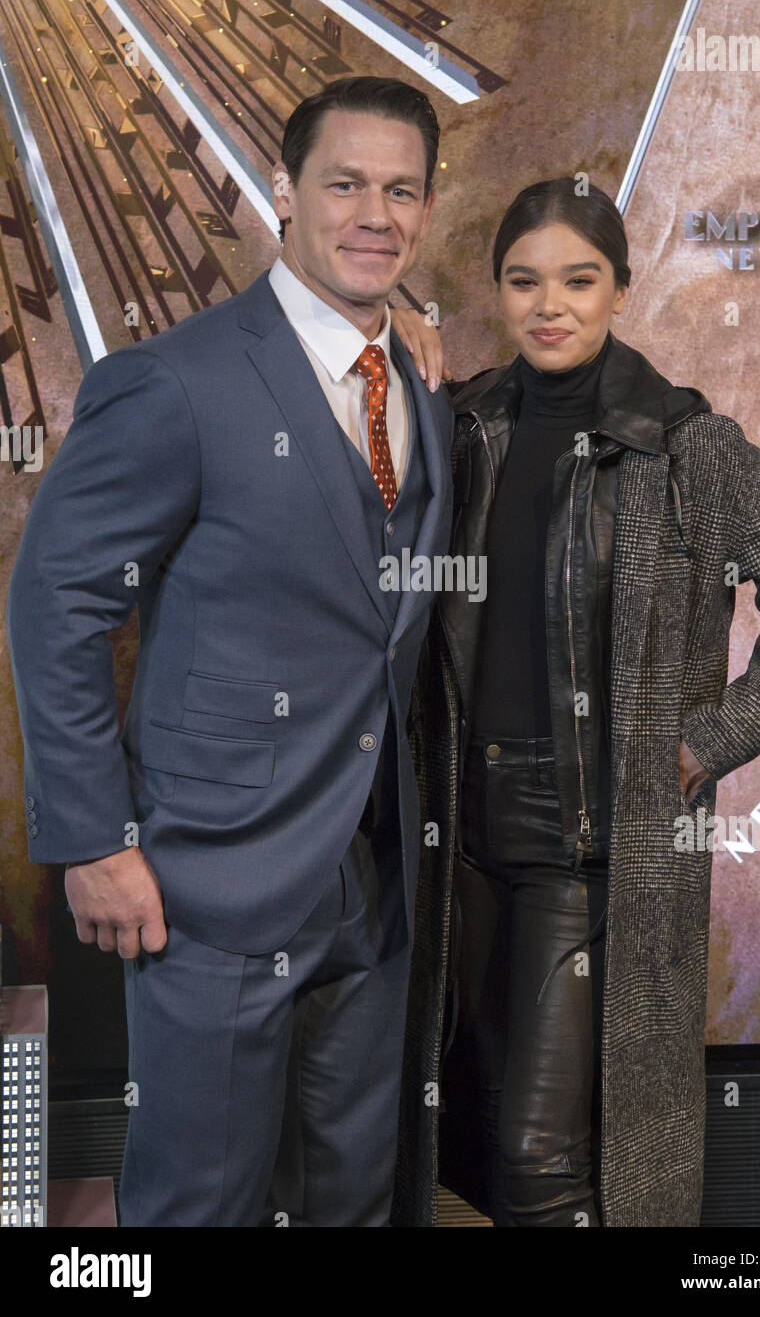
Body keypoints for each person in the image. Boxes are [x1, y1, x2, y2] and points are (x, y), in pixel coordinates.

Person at [5, 75, 455, 1227]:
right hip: (206, 880)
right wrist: (95, 838)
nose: (374, 213)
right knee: (198, 1206)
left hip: (376, 874)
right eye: (344, 183)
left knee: (350, 1201)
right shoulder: (176, 382)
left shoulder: (417, 387)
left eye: (400, 190)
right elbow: (58, 605)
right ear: (280, 195)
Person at [387, 177, 760, 1227]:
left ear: (617, 289)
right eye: (522, 281)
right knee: (460, 1136)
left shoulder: (684, 447)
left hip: (594, 852)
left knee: (538, 1161)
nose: (547, 304)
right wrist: (393, 338)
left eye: (576, 279)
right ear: (498, 293)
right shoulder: (465, 427)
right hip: (464, 847)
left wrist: (710, 739)